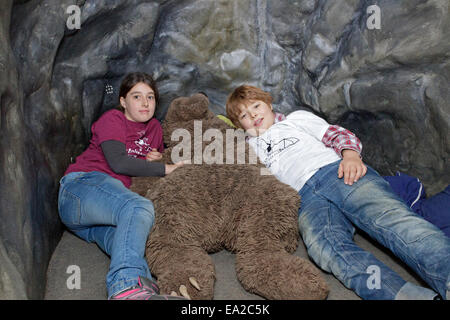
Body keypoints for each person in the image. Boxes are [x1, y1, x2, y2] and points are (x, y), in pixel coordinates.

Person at [225, 84, 450, 300]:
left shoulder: (295, 120)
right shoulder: (247, 150)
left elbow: (335, 135)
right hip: (305, 200)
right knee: (325, 247)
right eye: (244, 115)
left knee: (391, 219)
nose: (253, 115)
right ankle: (401, 295)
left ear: (269, 104)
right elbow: (229, 174)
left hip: (337, 173)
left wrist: (350, 155)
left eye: (256, 106)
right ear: (239, 125)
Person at [58, 72, 186, 300]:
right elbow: (119, 163)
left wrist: (156, 158)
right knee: (138, 208)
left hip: (99, 218)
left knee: (130, 240)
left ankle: (143, 294)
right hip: (80, 189)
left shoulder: (155, 128)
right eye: (136, 97)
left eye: (150, 97)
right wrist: (166, 168)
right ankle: (125, 288)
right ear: (123, 101)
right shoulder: (113, 120)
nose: (145, 103)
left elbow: (141, 169)